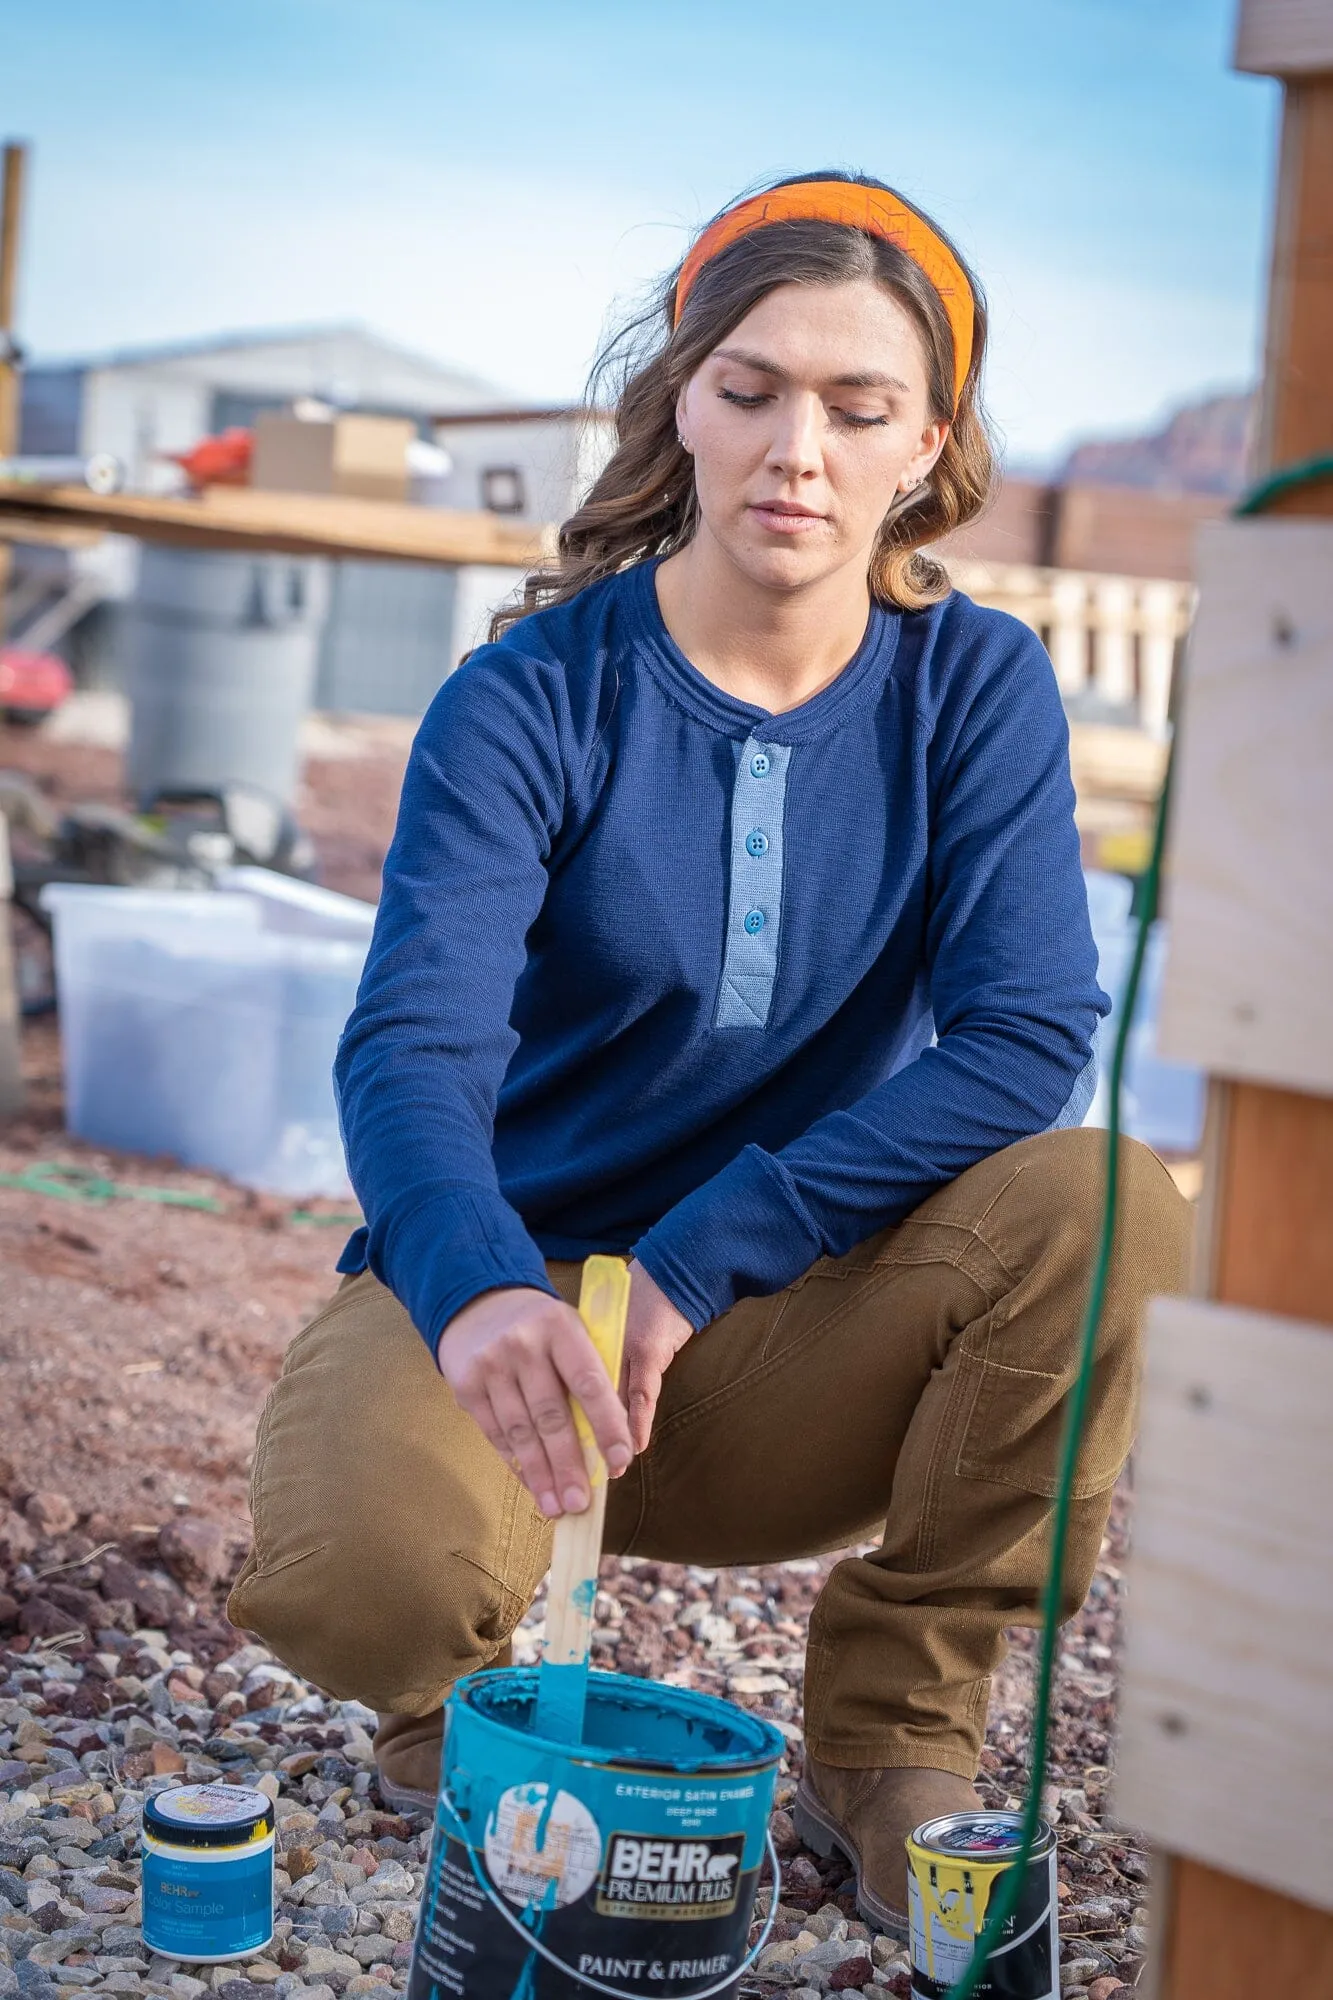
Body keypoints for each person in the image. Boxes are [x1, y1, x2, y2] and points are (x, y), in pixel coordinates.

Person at [229, 172, 1190, 1935]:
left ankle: (893, 1736)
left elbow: (1030, 1030)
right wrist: (473, 1289)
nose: (795, 451)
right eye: (749, 388)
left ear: (930, 445)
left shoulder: (971, 688)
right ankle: (470, 1721)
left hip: (792, 1328)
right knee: (360, 1579)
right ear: (681, 398)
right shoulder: (529, 697)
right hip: (520, 1331)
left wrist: (711, 1248)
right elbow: (412, 1047)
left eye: (858, 406)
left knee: (1109, 1204)